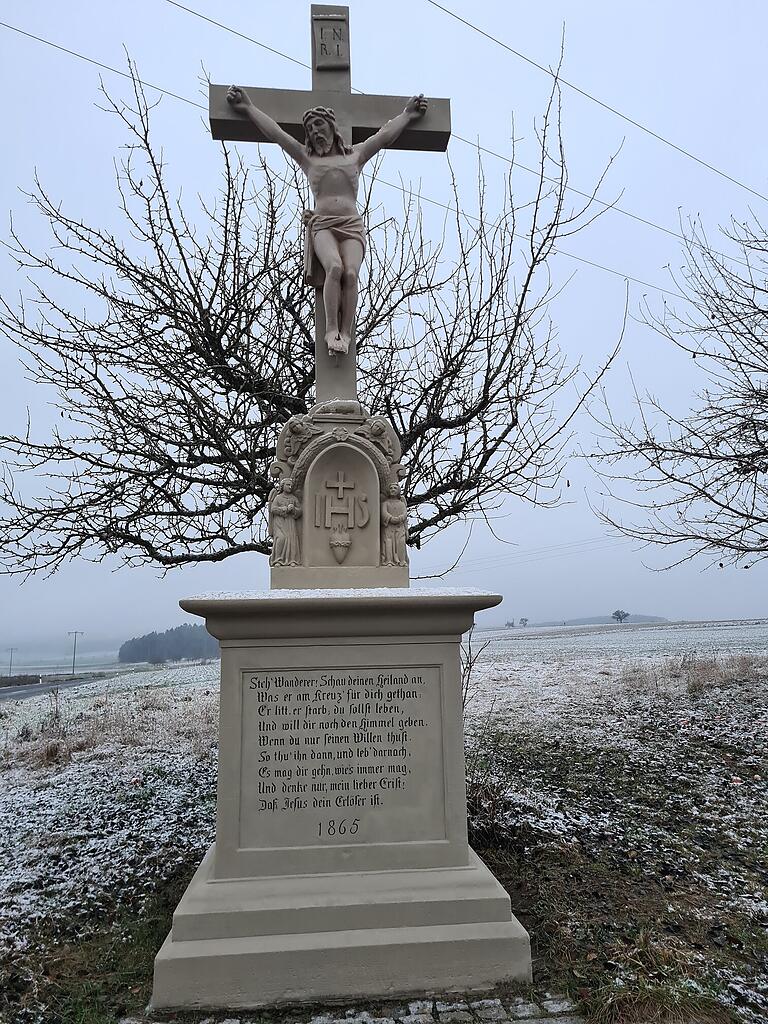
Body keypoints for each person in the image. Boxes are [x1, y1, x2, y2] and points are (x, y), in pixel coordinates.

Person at [226, 87, 428, 355]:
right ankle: (331, 329)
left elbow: (384, 137)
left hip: (351, 225)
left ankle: (346, 334)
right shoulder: (307, 158)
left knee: (351, 274)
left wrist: (407, 115)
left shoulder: (355, 155)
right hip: (323, 225)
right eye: (310, 129)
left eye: (319, 125)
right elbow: (276, 133)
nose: (315, 132)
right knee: (334, 268)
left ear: (332, 127)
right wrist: (249, 108)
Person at [268, 479, 302, 566]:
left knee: (292, 540)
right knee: (281, 538)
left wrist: (294, 509)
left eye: (291, 485)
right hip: (280, 523)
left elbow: (300, 511)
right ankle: (278, 560)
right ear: (283, 486)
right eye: (288, 485)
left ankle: (292, 560)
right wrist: (284, 509)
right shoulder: (278, 498)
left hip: (290, 523)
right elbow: (273, 509)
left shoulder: (294, 498)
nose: (290, 487)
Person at [380, 483, 408, 566]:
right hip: (388, 527)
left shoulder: (402, 504)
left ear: (398, 491)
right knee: (389, 543)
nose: (392, 489)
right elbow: (383, 513)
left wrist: (399, 518)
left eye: (395, 488)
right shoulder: (385, 503)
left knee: (401, 543)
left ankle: (401, 560)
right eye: (391, 488)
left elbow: (404, 513)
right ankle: (389, 560)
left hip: (399, 528)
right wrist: (390, 518)